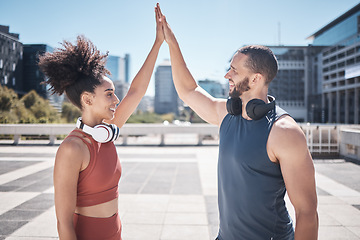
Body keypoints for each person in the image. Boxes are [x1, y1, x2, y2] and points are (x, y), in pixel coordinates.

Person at [155, 4, 318, 240]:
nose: (226, 75)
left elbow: (307, 212)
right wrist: (171, 42)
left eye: (233, 70)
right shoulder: (227, 113)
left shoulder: (284, 132)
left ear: (255, 78)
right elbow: (188, 90)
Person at [38, 5, 165, 240]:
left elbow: (136, 91)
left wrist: (158, 43)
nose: (116, 99)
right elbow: (63, 224)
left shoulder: (107, 130)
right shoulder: (72, 149)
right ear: (87, 99)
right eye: (109, 94)